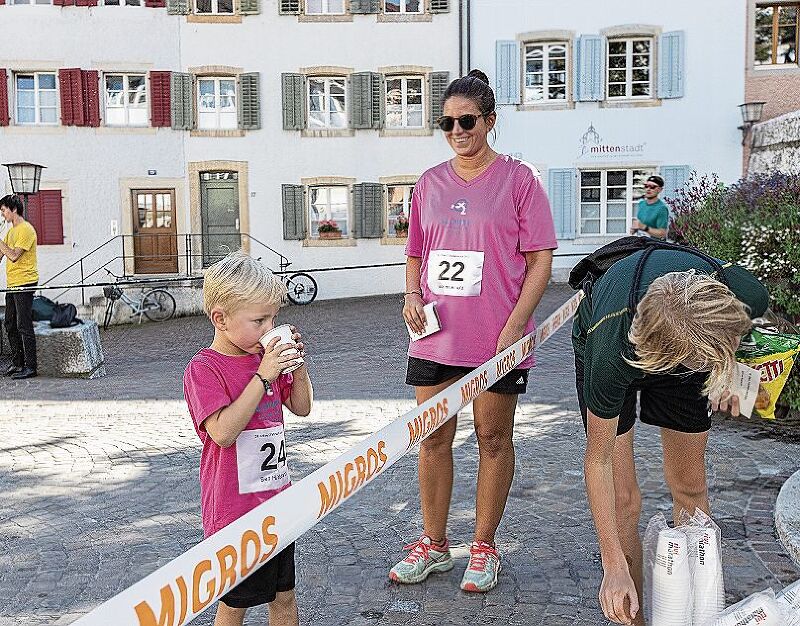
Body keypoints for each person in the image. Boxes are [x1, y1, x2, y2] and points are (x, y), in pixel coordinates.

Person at [393, 69, 557, 593]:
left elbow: (540, 262)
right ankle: (434, 544)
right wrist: (412, 295)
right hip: (435, 336)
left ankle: (484, 546)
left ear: (489, 121)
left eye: (467, 121)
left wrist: (515, 327)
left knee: (492, 438)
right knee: (433, 439)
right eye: (447, 123)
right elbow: (415, 253)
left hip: (496, 339)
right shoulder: (428, 183)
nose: (457, 130)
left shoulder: (519, 180)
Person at [571, 246, 769, 625]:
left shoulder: (743, 297)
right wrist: (612, 566)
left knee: (691, 487)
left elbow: (757, 345)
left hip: (691, 329)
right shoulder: (611, 349)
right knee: (625, 499)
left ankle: (699, 614)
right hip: (623, 336)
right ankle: (634, 615)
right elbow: (599, 460)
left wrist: (733, 373)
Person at [183, 251, 313, 626]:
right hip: (234, 513)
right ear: (220, 319)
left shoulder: (265, 358)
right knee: (234, 605)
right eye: (259, 320)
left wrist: (298, 369)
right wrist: (262, 377)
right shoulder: (204, 369)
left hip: (277, 502)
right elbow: (222, 433)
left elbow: (301, 407)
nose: (269, 327)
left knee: (284, 600)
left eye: (273, 317)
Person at [0, 194, 39, 379]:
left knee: (23, 324)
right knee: (9, 323)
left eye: (3, 210)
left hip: (25, 282)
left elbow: (14, 256)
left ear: (13, 209)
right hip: (13, 283)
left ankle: (31, 367)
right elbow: (1, 255)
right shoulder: (10, 232)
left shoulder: (26, 230)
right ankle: (18, 363)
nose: (2, 215)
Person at [630, 175, 669, 240]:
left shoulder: (662, 208)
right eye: (646, 186)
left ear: (659, 190)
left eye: (652, 187)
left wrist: (645, 228)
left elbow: (662, 233)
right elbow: (640, 222)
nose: (648, 189)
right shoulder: (641, 204)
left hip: (655, 246)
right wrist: (635, 228)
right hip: (641, 243)